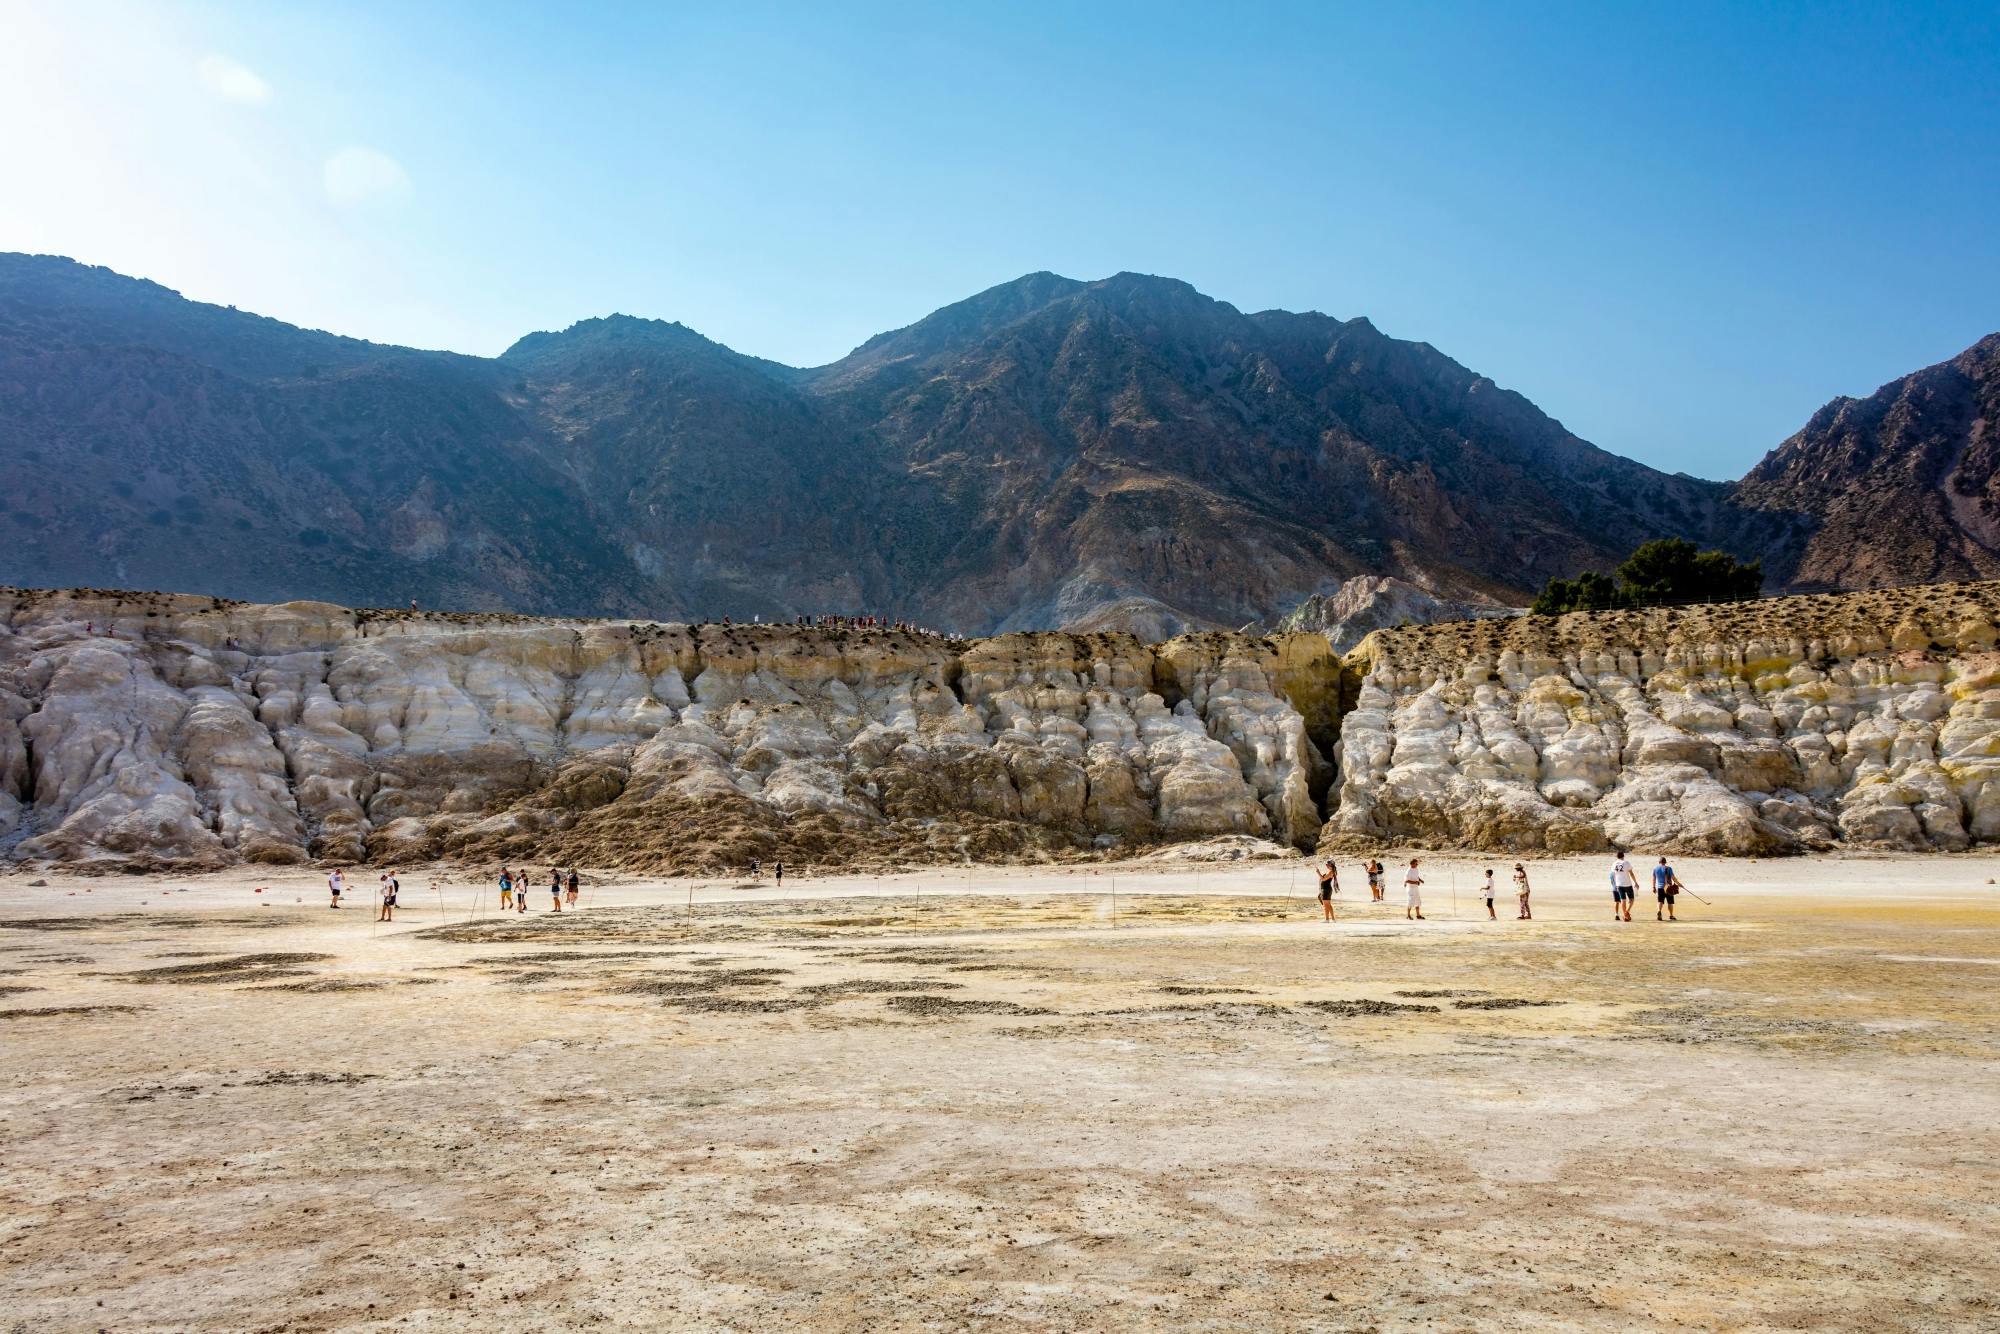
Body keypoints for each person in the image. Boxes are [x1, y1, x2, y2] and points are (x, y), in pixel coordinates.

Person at [1611, 850, 1638, 922]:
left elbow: (1613, 875)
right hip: (1627, 884)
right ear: (1623, 856)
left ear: (1617, 857)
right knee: (1632, 899)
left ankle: (1625, 915)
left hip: (1619, 884)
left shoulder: (1614, 863)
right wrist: (1635, 882)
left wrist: (1615, 884)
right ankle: (1626, 912)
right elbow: (1631, 873)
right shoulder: (1626, 862)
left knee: (1623, 900)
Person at [1653, 856, 1680, 921]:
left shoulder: (1655, 869)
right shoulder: (1669, 868)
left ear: (1659, 862)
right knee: (1670, 902)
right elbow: (1673, 878)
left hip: (1660, 888)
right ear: (1665, 862)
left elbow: (1654, 879)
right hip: (1668, 888)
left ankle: (1659, 911)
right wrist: (1679, 884)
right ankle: (1671, 915)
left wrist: (1653, 887)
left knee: (1660, 901)